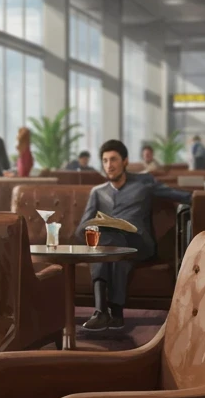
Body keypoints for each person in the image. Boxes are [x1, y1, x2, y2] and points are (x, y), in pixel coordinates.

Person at [72, 140, 191, 332]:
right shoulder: (98, 193)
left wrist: (202, 198)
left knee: (109, 245)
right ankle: (116, 314)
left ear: (125, 161)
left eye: (113, 160)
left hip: (140, 243)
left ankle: (101, 311)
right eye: (105, 161)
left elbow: (174, 194)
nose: (109, 165)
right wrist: (94, 227)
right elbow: (81, 228)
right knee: (110, 246)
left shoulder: (144, 182)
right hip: (113, 246)